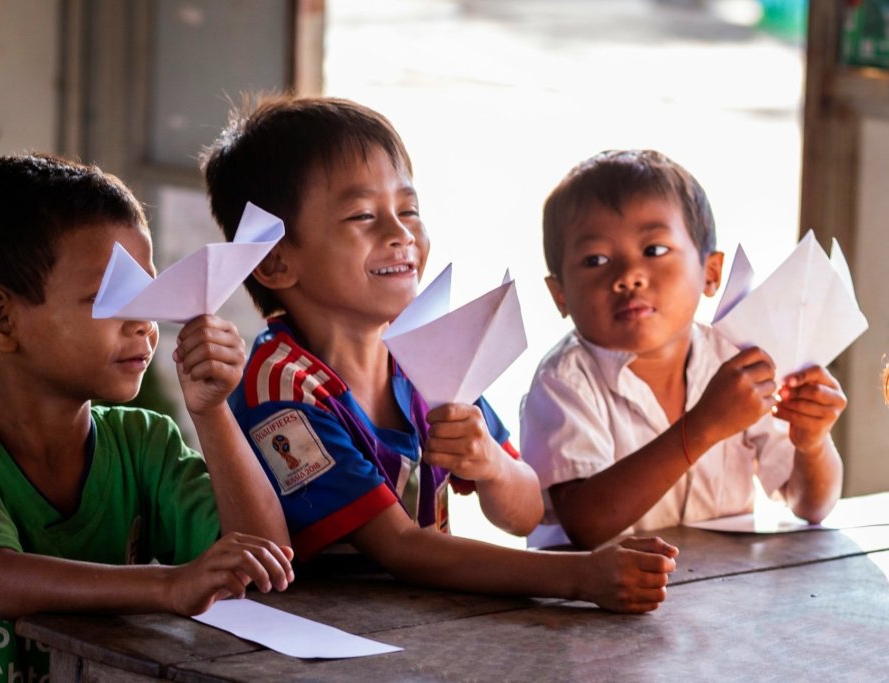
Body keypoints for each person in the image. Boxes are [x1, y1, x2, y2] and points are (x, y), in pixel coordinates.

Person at [201, 95, 678, 613]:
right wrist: (581, 576)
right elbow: (401, 547)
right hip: (320, 632)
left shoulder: (425, 352)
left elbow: (526, 511)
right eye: (363, 215)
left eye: (408, 210)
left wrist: (490, 463)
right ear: (275, 263)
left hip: (425, 624)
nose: (401, 233)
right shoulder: (281, 386)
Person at [0, 153, 294, 682]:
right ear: (1, 320)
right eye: (113, 297)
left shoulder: (144, 441)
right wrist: (169, 585)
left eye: (149, 293)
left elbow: (264, 561)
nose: (145, 323)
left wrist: (212, 409)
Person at [521, 149, 845, 550]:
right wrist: (702, 428)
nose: (629, 276)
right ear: (559, 295)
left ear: (710, 272)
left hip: (722, 584)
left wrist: (812, 443)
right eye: (596, 259)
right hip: (591, 590)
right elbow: (586, 524)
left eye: (654, 250)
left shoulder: (736, 361)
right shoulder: (565, 381)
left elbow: (811, 506)